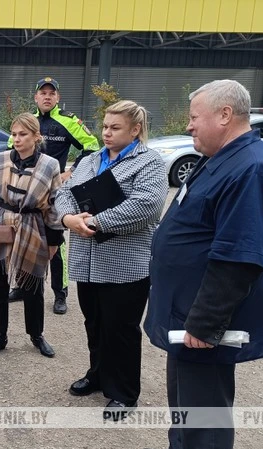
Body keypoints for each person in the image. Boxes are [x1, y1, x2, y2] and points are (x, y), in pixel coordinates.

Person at [139, 80, 263, 449]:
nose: (188, 126)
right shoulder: (221, 157)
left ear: (224, 115)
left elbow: (240, 258)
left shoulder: (253, 168)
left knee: (206, 408)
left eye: (193, 118)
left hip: (204, 317)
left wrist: (204, 324)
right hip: (184, 310)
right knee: (183, 394)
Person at [55, 100, 167, 416]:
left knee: (122, 329)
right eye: (105, 126)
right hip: (87, 261)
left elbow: (146, 206)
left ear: (135, 130)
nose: (106, 132)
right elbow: (64, 193)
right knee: (95, 323)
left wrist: (92, 222)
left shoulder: (150, 163)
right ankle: (98, 375)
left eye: (115, 127)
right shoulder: (90, 160)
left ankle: (125, 392)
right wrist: (68, 220)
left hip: (126, 264)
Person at [8, 77, 100, 315]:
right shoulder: (28, 122)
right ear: (36, 97)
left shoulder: (67, 121)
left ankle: (60, 293)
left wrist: (71, 172)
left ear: (57, 97)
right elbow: (12, 151)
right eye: (42, 93)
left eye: (51, 93)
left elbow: (92, 146)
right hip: (26, 191)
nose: (47, 97)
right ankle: (21, 285)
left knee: (56, 244)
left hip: (54, 193)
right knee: (23, 239)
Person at [0, 113, 63, 358]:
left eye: (23, 134)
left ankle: (36, 335)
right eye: (14, 134)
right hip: (1, 222)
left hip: (33, 225)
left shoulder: (50, 165)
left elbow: (55, 204)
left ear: (36, 137)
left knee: (32, 282)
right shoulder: (0, 159)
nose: (17, 139)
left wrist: (54, 240)